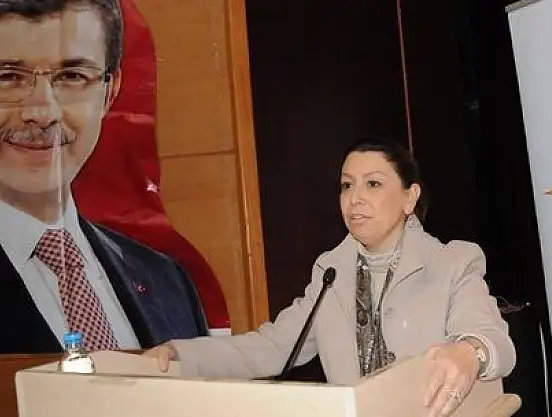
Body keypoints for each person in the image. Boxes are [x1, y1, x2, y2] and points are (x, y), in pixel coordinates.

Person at [146, 138, 516, 417]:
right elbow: (271, 347)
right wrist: (183, 354)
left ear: (409, 197)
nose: (355, 198)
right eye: (346, 185)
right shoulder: (330, 273)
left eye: (373, 184)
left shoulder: (453, 262)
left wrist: (469, 353)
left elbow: (495, 340)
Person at [0, 0, 208, 354]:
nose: (42, 113)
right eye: (8, 77)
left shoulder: (168, 282)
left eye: (72, 76)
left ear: (109, 93)